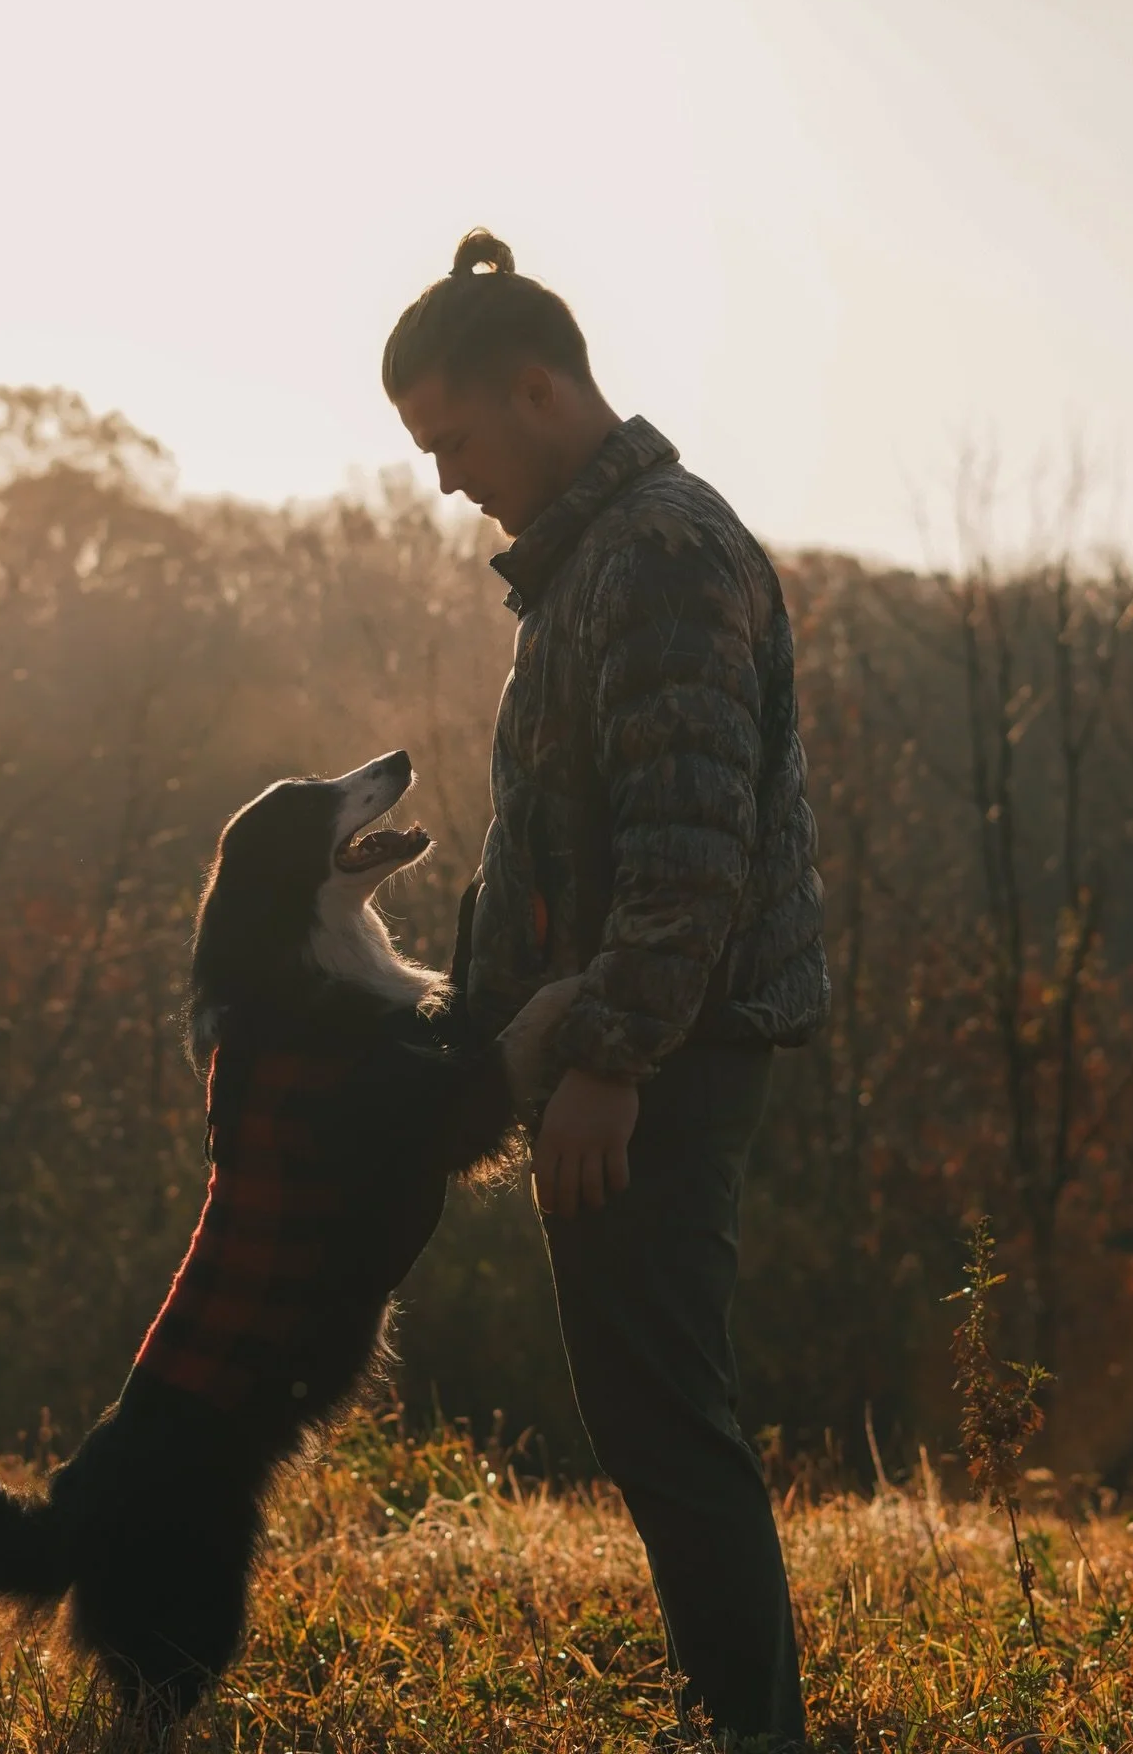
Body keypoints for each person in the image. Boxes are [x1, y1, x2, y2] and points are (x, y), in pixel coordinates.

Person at [382, 230, 831, 1749]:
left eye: (453, 442)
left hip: (663, 1059)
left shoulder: (657, 558)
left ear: (538, 389)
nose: (448, 481)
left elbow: (689, 849)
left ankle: (750, 1731)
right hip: (624, 1047)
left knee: (667, 1421)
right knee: (648, 1417)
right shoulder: (593, 562)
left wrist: (610, 1061)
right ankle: (737, 1719)